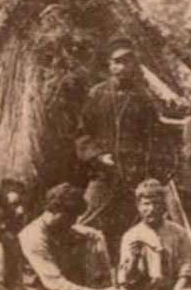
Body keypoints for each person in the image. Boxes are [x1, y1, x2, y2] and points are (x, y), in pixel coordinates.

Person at [75, 37, 178, 259]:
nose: (122, 67)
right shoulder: (97, 94)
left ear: (134, 66)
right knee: (87, 218)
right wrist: (98, 156)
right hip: (103, 172)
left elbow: (154, 136)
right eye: (117, 62)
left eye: (127, 62)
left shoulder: (142, 98)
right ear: (109, 65)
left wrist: (150, 167)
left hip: (133, 173)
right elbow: (82, 133)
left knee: (130, 223)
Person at [19, 183, 115, 290]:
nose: (72, 223)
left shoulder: (62, 228)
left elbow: (94, 235)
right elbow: (55, 284)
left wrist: (106, 286)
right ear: (54, 211)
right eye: (69, 217)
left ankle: (103, 287)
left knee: (93, 235)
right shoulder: (33, 236)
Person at [117, 179, 191, 290]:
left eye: (156, 203)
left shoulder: (179, 233)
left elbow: (187, 266)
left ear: (164, 206)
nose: (151, 209)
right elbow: (125, 280)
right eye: (146, 204)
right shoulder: (131, 236)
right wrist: (134, 259)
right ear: (138, 206)